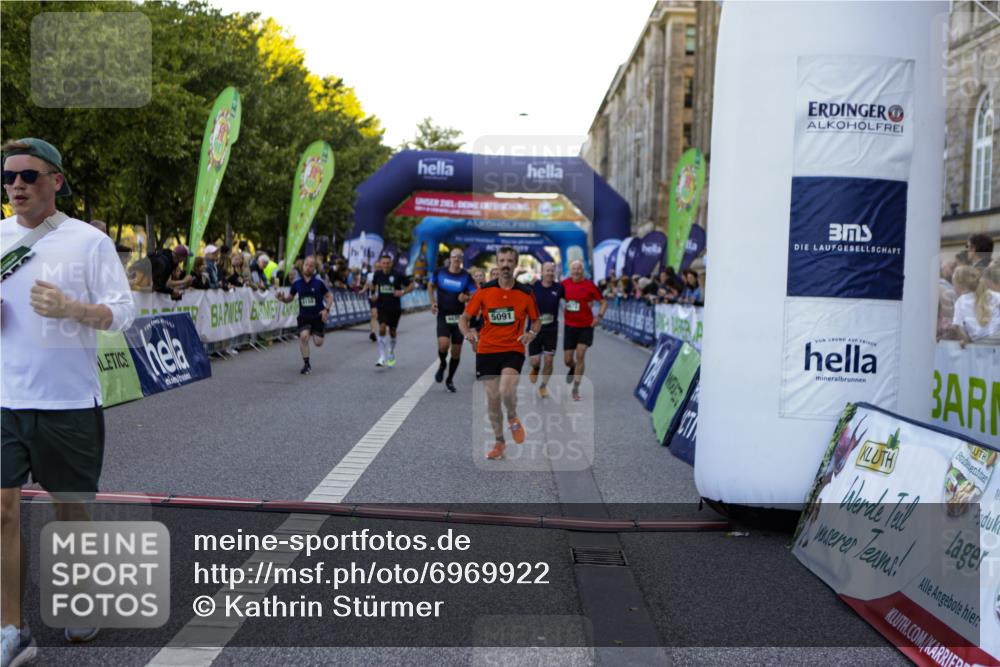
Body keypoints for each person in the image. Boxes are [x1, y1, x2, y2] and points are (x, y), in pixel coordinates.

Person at [1, 138, 135, 663]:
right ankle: (12, 626)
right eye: (8, 177)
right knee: (3, 510)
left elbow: (123, 313)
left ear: (55, 180)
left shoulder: (88, 242)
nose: (16, 186)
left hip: (68, 401)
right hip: (6, 398)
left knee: (69, 509)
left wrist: (72, 308)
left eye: (28, 176)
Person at [459, 247, 541, 460]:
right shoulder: (484, 291)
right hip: (487, 350)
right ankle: (499, 442)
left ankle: (512, 416)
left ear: (515, 264)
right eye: (502, 260)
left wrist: (531, 333)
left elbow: (537, 320)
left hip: (513, 349)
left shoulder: (525, 293)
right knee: (493, 399)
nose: (506, 264)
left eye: (510, 261)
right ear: (497, 263)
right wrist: (467, 332)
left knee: (506, 390)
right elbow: (464, 318)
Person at [276, 256, 333, 374]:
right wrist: (283, 299)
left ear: (314, 268)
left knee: (318, 343)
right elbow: (290, 298)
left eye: (311, 266)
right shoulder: (297, 283)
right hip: (304, 316)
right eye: (306, 265)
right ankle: (306, 364)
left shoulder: (319, 282)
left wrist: (326, 310)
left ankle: (317, 331)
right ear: (303, 266)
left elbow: (329, 296)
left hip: (318, 315)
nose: (308, 267)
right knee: (303, 337)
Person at [561, 260, 607, 402]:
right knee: (568, 360)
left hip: (585, 326)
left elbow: (603, 302)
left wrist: (598, 317)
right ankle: (573, 368)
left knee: (580, 355)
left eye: (579, 269)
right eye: (574, 269)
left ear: (582, 270)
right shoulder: (564, 284)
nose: (576, 271)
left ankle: (576, 388)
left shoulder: (589, 285)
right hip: (569, 326)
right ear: (570, 270)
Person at [429, 248, 473, 392]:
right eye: (454, 256)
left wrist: (466, 297)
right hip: (443, 315)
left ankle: (450, 380)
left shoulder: (466, 276)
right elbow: (430, 285)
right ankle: (442, 364)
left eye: (460, 257)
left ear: (462, 260)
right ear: (450, 257)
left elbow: (475, 294)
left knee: (456, 351)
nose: (457, 259)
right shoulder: (439, 272)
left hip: (459, 318)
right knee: (443, 345)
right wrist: (433, 302)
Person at [528, 261, 565, 398]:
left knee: (549, 360)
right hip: (534, 329)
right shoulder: (533, 287)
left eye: (552, 270)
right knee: (535, 361)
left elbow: (573, 298)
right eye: (547, 270)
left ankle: (543, 386)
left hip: (551, 330)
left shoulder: (559, 288)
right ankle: (535, 369)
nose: (550, 273)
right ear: (542, 272)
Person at [371, 253, 413, 367]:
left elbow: (411, 285)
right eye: (383, 263)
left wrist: (403, 292)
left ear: (391, 264)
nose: (385, 265)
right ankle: (382, 357)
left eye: (387, 263)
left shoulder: (398, 274)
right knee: (382, 327)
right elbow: (373, 285)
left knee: (392, 331)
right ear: (380, 263)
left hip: (395, 308)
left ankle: (391, 352)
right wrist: (373, 294)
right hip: (382, 307)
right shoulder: (377, 274)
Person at [944, 265, 1000, 345]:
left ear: (959, 286)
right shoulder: (992, 294)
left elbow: (957, 328)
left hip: (980, 344)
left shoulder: (960, 302)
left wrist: (966, 340)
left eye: (954, 285)